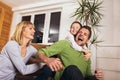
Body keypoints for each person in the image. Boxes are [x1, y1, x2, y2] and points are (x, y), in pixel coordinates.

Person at [37, 25, 103, 80]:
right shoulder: (65, 44)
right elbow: (40, 52)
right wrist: (47, 59)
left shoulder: (87, 55)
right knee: (72, 69)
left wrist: (95, 77)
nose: (81, 34)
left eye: (85, 34)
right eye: (80, 32)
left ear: (87, 41)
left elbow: (87, 76)